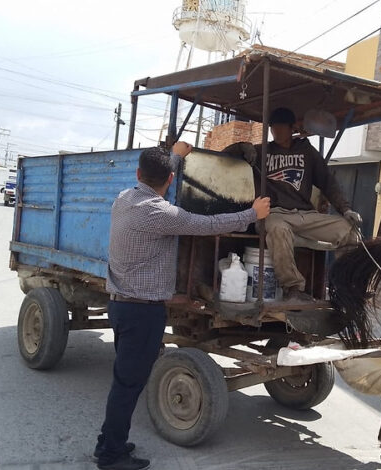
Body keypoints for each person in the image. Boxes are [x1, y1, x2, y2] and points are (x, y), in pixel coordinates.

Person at [94, 142, 271, 470]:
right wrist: (252, 214)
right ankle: (110, 455)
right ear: (171, 180)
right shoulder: (162, 214)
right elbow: (209, 225)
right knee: (129, 384)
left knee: (125, 380)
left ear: (138, 174)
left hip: (121, 306)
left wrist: (175, 156)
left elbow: (157, 178)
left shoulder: (124, 199)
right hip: (142, 312)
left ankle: (108, 441)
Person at [223, 107, 362, 302]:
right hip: (271, 213)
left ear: (292, 128)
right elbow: (225, 155)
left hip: (305, 215)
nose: (277, 132)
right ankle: (293, 289)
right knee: (279, 229)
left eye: (281, 127)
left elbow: (328, 183)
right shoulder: (261, 151)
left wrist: (346, 209)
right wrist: (242, 146)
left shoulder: (307, 152)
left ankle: (347, 286)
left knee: (349, 231)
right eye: (273, 128)